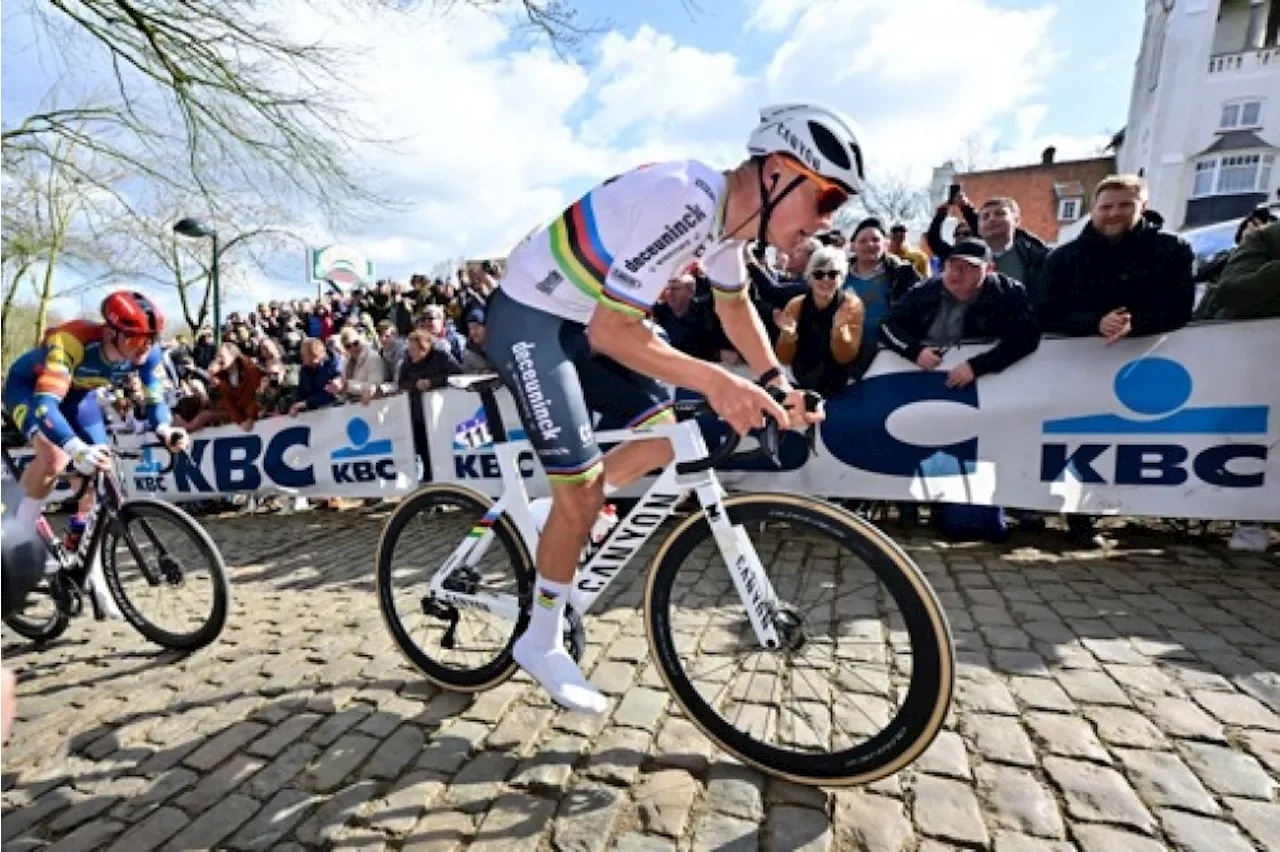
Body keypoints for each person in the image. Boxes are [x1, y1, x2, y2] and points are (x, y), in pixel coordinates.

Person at [484, 103, 854, 713]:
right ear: (779, 174)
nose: (822, 225)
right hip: (531, 317)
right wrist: (717, 382)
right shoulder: (686, 197)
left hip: (583, 322)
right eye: (827, 200)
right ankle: (540, 639)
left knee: (666, 435)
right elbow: (612, 333)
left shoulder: (728, 228)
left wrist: (774, 380)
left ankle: (566, 514)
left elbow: (735, 310)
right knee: (581, 488)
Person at [2, 291, 190, 615]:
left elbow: (155, 398)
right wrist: (75, 449)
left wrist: (165, 429)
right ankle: (18, 545)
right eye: (135, 342)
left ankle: (92, 569)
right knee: (56, 458)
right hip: (31, 392)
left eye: (150, 341)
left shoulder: (146, 352)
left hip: (79, 398)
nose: (142, 351)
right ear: (110, 331)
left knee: (101, 476)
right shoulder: (71, 341)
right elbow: (46, 407)